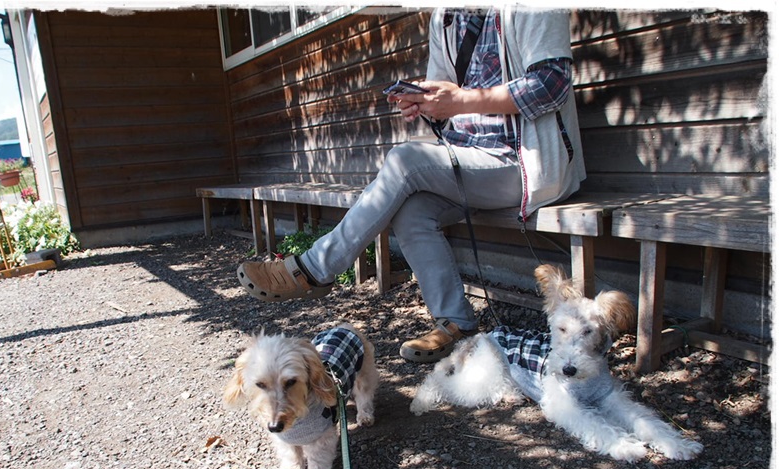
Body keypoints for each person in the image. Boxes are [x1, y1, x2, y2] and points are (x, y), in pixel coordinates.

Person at [237, 6, 585, 363]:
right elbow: (445, 95)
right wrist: (427, 104)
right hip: (470, 160)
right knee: (412, 211)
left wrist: (461, 101)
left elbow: (552, 84)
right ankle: (457, 323)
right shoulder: (448, 17)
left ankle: (314, 268)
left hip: (524, 163)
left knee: (405, 160)